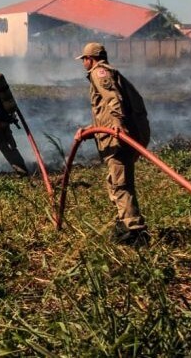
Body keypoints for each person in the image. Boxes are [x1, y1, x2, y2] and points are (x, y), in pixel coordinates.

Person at [76, 42, 151, 245]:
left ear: (90, 59)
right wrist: (89, 131)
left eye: (84, 59)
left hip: (118, 139)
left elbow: (113, 99)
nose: (83, 62)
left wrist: (118, 127)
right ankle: (123, 222)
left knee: (121, 185)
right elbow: (104, 113)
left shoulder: (99, 72)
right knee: (115, 182)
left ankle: (134, 231)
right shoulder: (107, 73)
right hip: (115, 136)